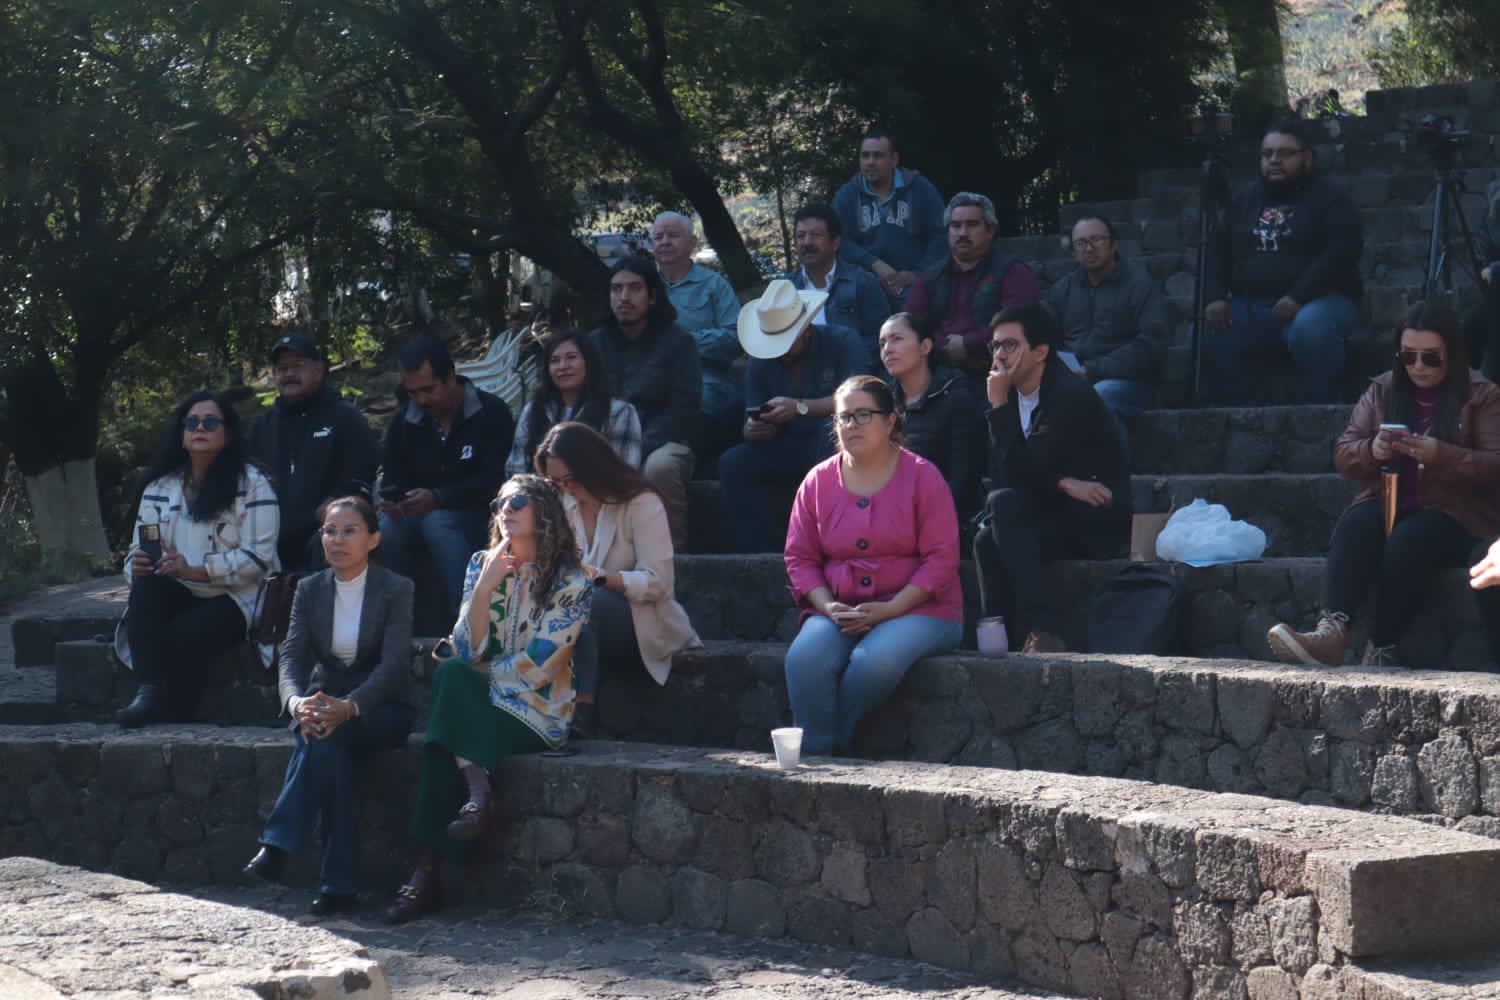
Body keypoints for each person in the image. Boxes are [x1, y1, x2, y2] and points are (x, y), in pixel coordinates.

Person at [385, 474, 592, 924]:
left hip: (537, 713)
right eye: (499, 504)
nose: (505, 511)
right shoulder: (482, 563)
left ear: (544, 511)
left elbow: (542, 666)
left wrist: (479, 676)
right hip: (480, 704)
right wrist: (486, 586)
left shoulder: (572, 580)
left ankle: (425, 874)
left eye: (516, 502)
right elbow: (464, 647)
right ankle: (477, 797)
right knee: (446, 720)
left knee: (449, 706)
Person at [1268, 301, 1500, 667]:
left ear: (1451, 354)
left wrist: (1442, 454)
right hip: (1390, 498)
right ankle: (1332, 631)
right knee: (1356, 523)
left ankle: (1382, 646)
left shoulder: (1482, 394)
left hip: (1460, 513)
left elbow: (1494, 463)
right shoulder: (1383, 389)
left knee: (1410, 539)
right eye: (1409, 356)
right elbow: (1344, 451)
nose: (1418, 367)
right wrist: (1372, 450)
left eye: (1430, 357)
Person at [244, 496, 415, 916]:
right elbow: (291, 657)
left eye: (350, 531)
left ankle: (279, 845)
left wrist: (350, 707)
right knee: (326, 747)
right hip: (323, 706)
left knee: (323, 739)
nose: (337, 540)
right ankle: (338, 886)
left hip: (379, 709)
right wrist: (296, 703)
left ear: (373, 539)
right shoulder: (309, 589)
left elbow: (394, 666)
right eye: (330, 531)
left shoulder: (396, 588)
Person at [783, 375, 962, 756]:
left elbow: (941, 558)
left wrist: (892, 608)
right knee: (804, 659)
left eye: (863, 414)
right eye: (844, 417)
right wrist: (828, 606)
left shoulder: (923, 476)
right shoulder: (817, 481)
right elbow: (800, 557)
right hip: (839, 607)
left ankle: (834, 742)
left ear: (890, 420)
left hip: (920, 608)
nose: (852, 425)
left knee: (873, 662)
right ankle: (815, 758)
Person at [972, 304, 1132, 654]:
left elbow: (1020, 474)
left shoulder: (1067, 395)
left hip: (1094, 518)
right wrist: (1061, 482)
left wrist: (998, 410)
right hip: (1048, 507)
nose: (999, 356)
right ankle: (998, 640)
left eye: (1010, 345)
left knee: (1002, 505)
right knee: (985, 538)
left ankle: (1043, 629)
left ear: (1040, 351)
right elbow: (1005, 474)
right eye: (995, 346)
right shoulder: (1007, 392)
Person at [115, 391, 280, 728]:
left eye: (210, 422)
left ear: (228, 433)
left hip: (236, 594)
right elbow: (138, 547)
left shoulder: (254, 484)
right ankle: (146, 692)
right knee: (144, 593)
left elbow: (257, 558)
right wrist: (138, 565)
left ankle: (173, 709)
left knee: (185, 633)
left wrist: (196, 571)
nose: (199, 428)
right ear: (181, 433)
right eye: (191, 422)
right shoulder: (159, 487)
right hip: (177, 585)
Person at [536, 422, 701, 732]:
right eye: (555, 482)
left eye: (571, 480)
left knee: (586, 599)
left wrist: (600, 577)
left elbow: (659, 582)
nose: (566, 489)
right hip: (578, 616)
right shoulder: (563, 504)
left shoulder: (642, 502)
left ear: (593, 469)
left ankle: (582, 708)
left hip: (641, 618)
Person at [1201, 119, 1364, 405]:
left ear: (1307, 158)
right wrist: (1214, 297)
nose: (1274, 160)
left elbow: (1341, 254)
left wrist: (1298, 296)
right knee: (1210, 330)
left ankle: (1324, 409)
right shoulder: (1244, 200)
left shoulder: (1331, 198)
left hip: (1321, 301)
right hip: (1253, 305)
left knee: (1311, 328)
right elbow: (1217, 250)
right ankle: (1240, 415)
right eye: (1268, 154)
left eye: (1285, 153)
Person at [719, 280, 866, 553]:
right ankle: (759, 552)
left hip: (836, 444)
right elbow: (752, 413)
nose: (781, 351)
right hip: (786, 444)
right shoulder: (761, 359)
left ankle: (833, 541)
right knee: (733, 462)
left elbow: (858, 399)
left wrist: (800, 407)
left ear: (806, 329)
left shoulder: (843, 342)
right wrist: (754, 429)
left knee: (833, 436)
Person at [379, 336, 515, 617]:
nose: (421, 400)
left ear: (451, 378)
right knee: (389, 529)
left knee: (438, 524)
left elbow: (497, 482)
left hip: (480, 515)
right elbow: (392, 476)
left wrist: (440, 497)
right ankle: (395, 619)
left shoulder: (491, 413)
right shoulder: (405, 421)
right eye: (412, 393)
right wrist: (394, 500)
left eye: (428, 390)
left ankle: (467, 617)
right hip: (418, 514)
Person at [590, 258, 702, 549]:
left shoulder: (679, 342)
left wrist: (635, 449)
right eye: (616, 289)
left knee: (659, 468)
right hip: (606, 442)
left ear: (652, 296)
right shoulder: (594, 344)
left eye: (634, 288)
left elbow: (683, 410)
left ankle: (670, 554)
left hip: (666, 442)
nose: (624, 297)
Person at [249, 333, 380, 571]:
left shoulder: (344, 417)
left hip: (325, 531)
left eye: (298, 366)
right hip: (270, 535)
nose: (289, 374)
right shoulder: (263, 425)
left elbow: (360, 475)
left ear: (318, 370)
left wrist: (333, 506)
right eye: (282, 369)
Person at [1043, 215, 1171, 427]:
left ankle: (1106, 452)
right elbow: (1044, 334)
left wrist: (1093, 370)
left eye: (1097, 240)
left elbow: (1151, 344)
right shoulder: (1063, 290)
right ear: (1074, 251)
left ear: (1113, 245)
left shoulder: (1139, 286)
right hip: (1072, 377)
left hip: (1128, 382)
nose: (1089, 248)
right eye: (1081, 242)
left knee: (1099, 396)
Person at [906, 192, 1041, 384]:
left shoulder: (1012, 272)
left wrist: (967, 344)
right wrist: (942, 344)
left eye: (972, 224)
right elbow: (910, 326)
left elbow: (1020, 325)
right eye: (955, 225)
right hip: (940, 375)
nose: (962, 233)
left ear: (990, 230)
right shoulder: (931, 277)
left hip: (1000, 374)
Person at [651, 211, 743, 467]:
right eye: (658, 237)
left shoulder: (714, 285)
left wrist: (684, 343)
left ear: (692, 243)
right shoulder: (643, 287)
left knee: (692, 404)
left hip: (705, 379)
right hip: (650, 378)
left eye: (673, 235)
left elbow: (736, 337)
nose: (665, 242)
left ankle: (679, 466)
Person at [878, 312, 983, 527]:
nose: (887, 349)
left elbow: (964, 479)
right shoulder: (881, 402)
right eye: (882, 343)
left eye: (897, 339)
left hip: (943, 518)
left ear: (925, 347)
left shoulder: (957, 396)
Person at [831, 129, 947, 303]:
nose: (870, 162)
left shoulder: (921, 189)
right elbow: (839, 241)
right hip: (863, 285)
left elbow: (940, 237)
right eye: (865, 156)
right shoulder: (847, 196)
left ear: (894, 159)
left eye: (878, 156)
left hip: (913, 284)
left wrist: (918, 275)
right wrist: (873, 263)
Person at [505, 329, 642, 476]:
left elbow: (625, 474)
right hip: (539, 489)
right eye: (555, 361)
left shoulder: (619, 412)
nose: (562, 366)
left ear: (589, 363)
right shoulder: (533, 410)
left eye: (571, 357)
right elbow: (516, 470)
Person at [784, 203, 892, 362]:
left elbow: (881, 339)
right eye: (801, 236)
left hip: (853, 371)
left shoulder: (862, 282)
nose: (807, 242)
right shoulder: (784, 288)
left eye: (816, 235)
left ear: (835, 243)